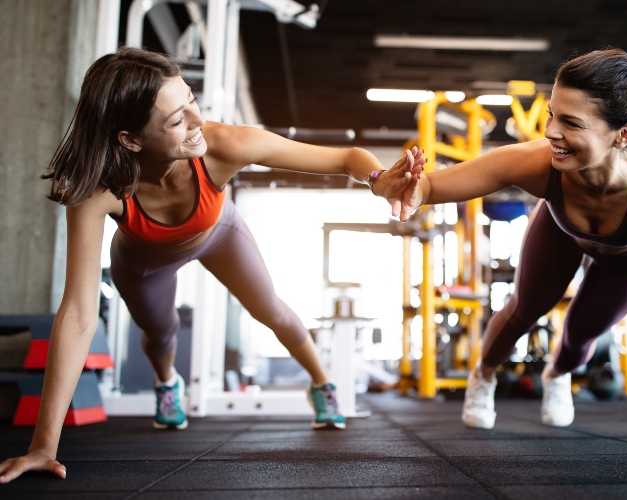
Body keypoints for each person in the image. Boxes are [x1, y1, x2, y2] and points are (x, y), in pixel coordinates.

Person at [0, 46, 424, 483]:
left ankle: (322, 384)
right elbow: (78, 314)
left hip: (219, 233)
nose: (198, 122)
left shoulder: (224, 145)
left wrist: (378, 180)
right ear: (130, 139)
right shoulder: (99, 188)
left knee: (271, 310)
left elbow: (342, 158)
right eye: (177, 120)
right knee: (159, 333)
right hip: (144, 260)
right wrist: (42, 448)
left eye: (191, 101)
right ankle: (168, 383)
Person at [373, 46, 627, 477]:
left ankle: (557, 374)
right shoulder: (539, 162)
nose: (550, 131)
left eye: (570, 122)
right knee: (524, 308)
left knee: (579, 336)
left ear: (623, 134)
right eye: (552, 113)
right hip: (561, 230)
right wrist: (404, 187)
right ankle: (484, 374)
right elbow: (432, 189)